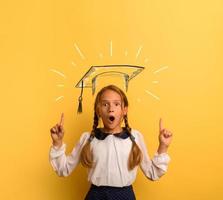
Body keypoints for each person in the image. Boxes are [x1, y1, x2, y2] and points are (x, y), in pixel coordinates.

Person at [49, 84, 173, 200]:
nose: (111, 109)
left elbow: (152, 173)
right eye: (105, 104)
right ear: (98, 110)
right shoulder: (87, 138)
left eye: (116, 104)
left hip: (125, 196)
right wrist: (57, 143)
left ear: (124, 110)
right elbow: (63, 169)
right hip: (95, 196)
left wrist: (163, 146)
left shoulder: (135, 137)